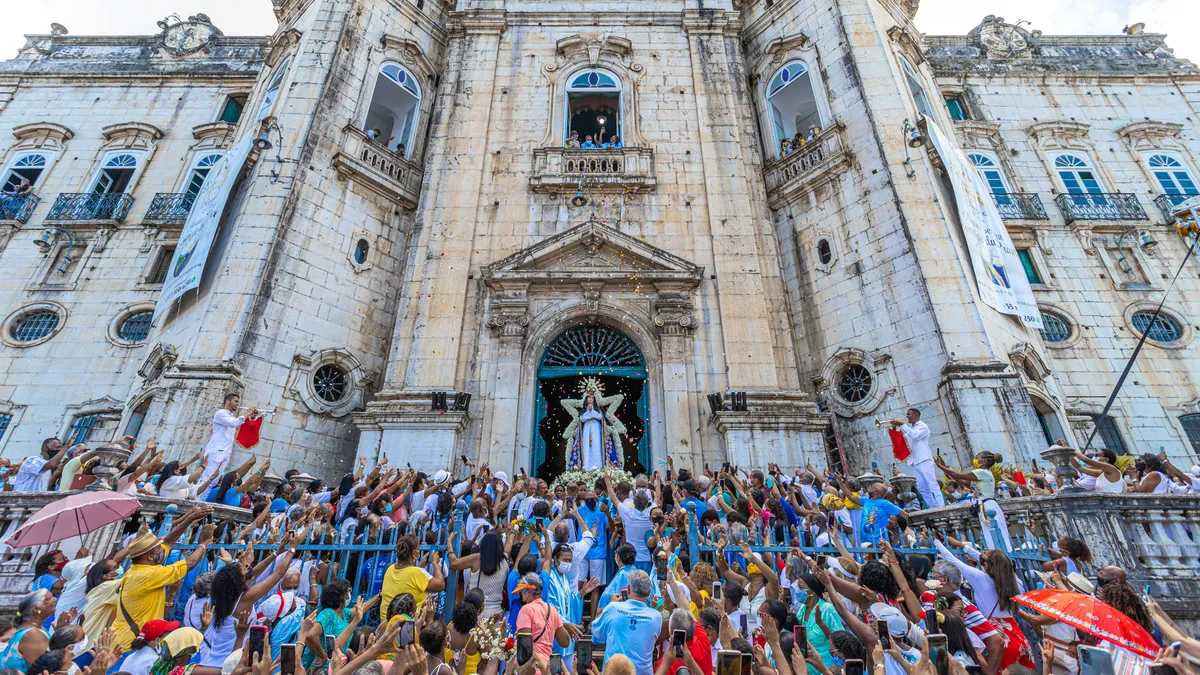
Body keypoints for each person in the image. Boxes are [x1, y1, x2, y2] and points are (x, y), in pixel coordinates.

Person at [110, 507, 215, 652]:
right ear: (150, 557)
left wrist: (189, 519)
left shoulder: (139, 568)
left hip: (129, 638)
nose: (162, 550)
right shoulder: (148, 574)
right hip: (129, 643)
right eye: (158, 550)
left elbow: (168, 542)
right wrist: (203, 543)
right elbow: (189, 563)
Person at [591, 570, 661, 675]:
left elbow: (596, 631)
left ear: (628, 589)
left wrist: (609, 605)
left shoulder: (612, 608)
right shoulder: (656, 616)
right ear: (648, 592)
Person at [514, 573, 571, 675]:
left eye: (522, 592)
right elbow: (565, 642)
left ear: (530, 591)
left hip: (533, 669)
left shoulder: (526, 610)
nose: (521, 597)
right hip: (549, 667)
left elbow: (526, 648)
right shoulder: (552, 610)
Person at [381, 535, 445, 620]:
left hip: (385, 621)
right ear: (415, 553)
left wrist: (420, 565)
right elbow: (440, 585)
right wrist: (435, 564)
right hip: (406, 624)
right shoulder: (416, 573)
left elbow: (409, 578)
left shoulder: (390, 568)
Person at [890, 409, 943, 508]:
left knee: (932, 485)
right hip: (914, 461)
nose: (907, 416)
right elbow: (902, 439)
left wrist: (902, 425)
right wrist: (894, 428)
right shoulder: (911, 429)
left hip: (924, 459)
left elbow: (915, 436)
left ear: (916, 415)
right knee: (922, 488)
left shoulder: (923, 426)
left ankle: (942, 506)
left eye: (909, 414)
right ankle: (933, 507)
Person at [200, 393, 256, 485]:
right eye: (236, 401)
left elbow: (239, 428)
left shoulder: (231, 417)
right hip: (216, 451)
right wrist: (247, 413)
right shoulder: (221, 413)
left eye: (238, 402)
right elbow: (233, 423)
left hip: (225, 451)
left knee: (214, 481)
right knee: (207, 478)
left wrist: (251, 418)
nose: (237, 404)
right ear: (227, 401)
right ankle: (198, 497)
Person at [0, 590, 55, 670]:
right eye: (48, 599)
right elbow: (47, 670)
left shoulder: (35, 630)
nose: (54, 599)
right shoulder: (32, 635)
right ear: (36, 609)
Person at [655, 608, 710, 675]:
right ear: (694, 627)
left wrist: (665, 663)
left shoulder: (666, 664)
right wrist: (691, 663)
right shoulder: (703, 640)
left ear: (670, 632)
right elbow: (686, 606)